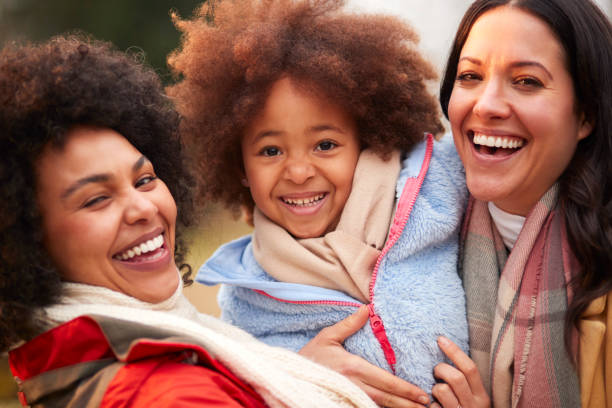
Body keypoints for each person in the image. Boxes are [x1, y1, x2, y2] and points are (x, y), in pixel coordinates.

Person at [0, 35, 378, 408]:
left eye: (145, 180)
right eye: (97, 199)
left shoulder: (80, 363)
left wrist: (298, 374)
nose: (144, 208)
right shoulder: (172, 397)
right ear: (24, 242)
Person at [167, 0, 468, 403]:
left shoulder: (438, 192)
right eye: (271, 151)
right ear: (238, 165)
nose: (297, 171)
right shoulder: (246, 298)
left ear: (366, 140)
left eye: (325, 145)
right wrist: (297, 374)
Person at [429, 0, 612, 407]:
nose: (487, 105)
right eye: (470, 76)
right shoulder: (409, 225)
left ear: (585, 115)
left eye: (526, 81)